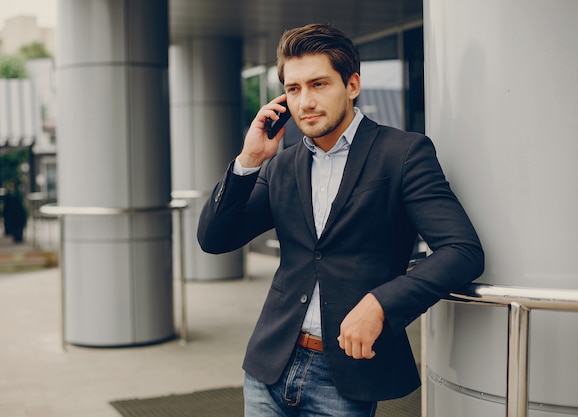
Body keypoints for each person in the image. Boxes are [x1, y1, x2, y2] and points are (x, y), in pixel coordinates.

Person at [197, 23, 484, 416]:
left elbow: (463, 251)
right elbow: (214, 238)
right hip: (270, 364)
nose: (305, 102)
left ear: (352, 85)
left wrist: (381, 303)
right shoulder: (280, 167)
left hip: (345, 376)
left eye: (319, 84)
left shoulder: (402, 154)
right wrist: (248, 162)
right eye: (294, 89)